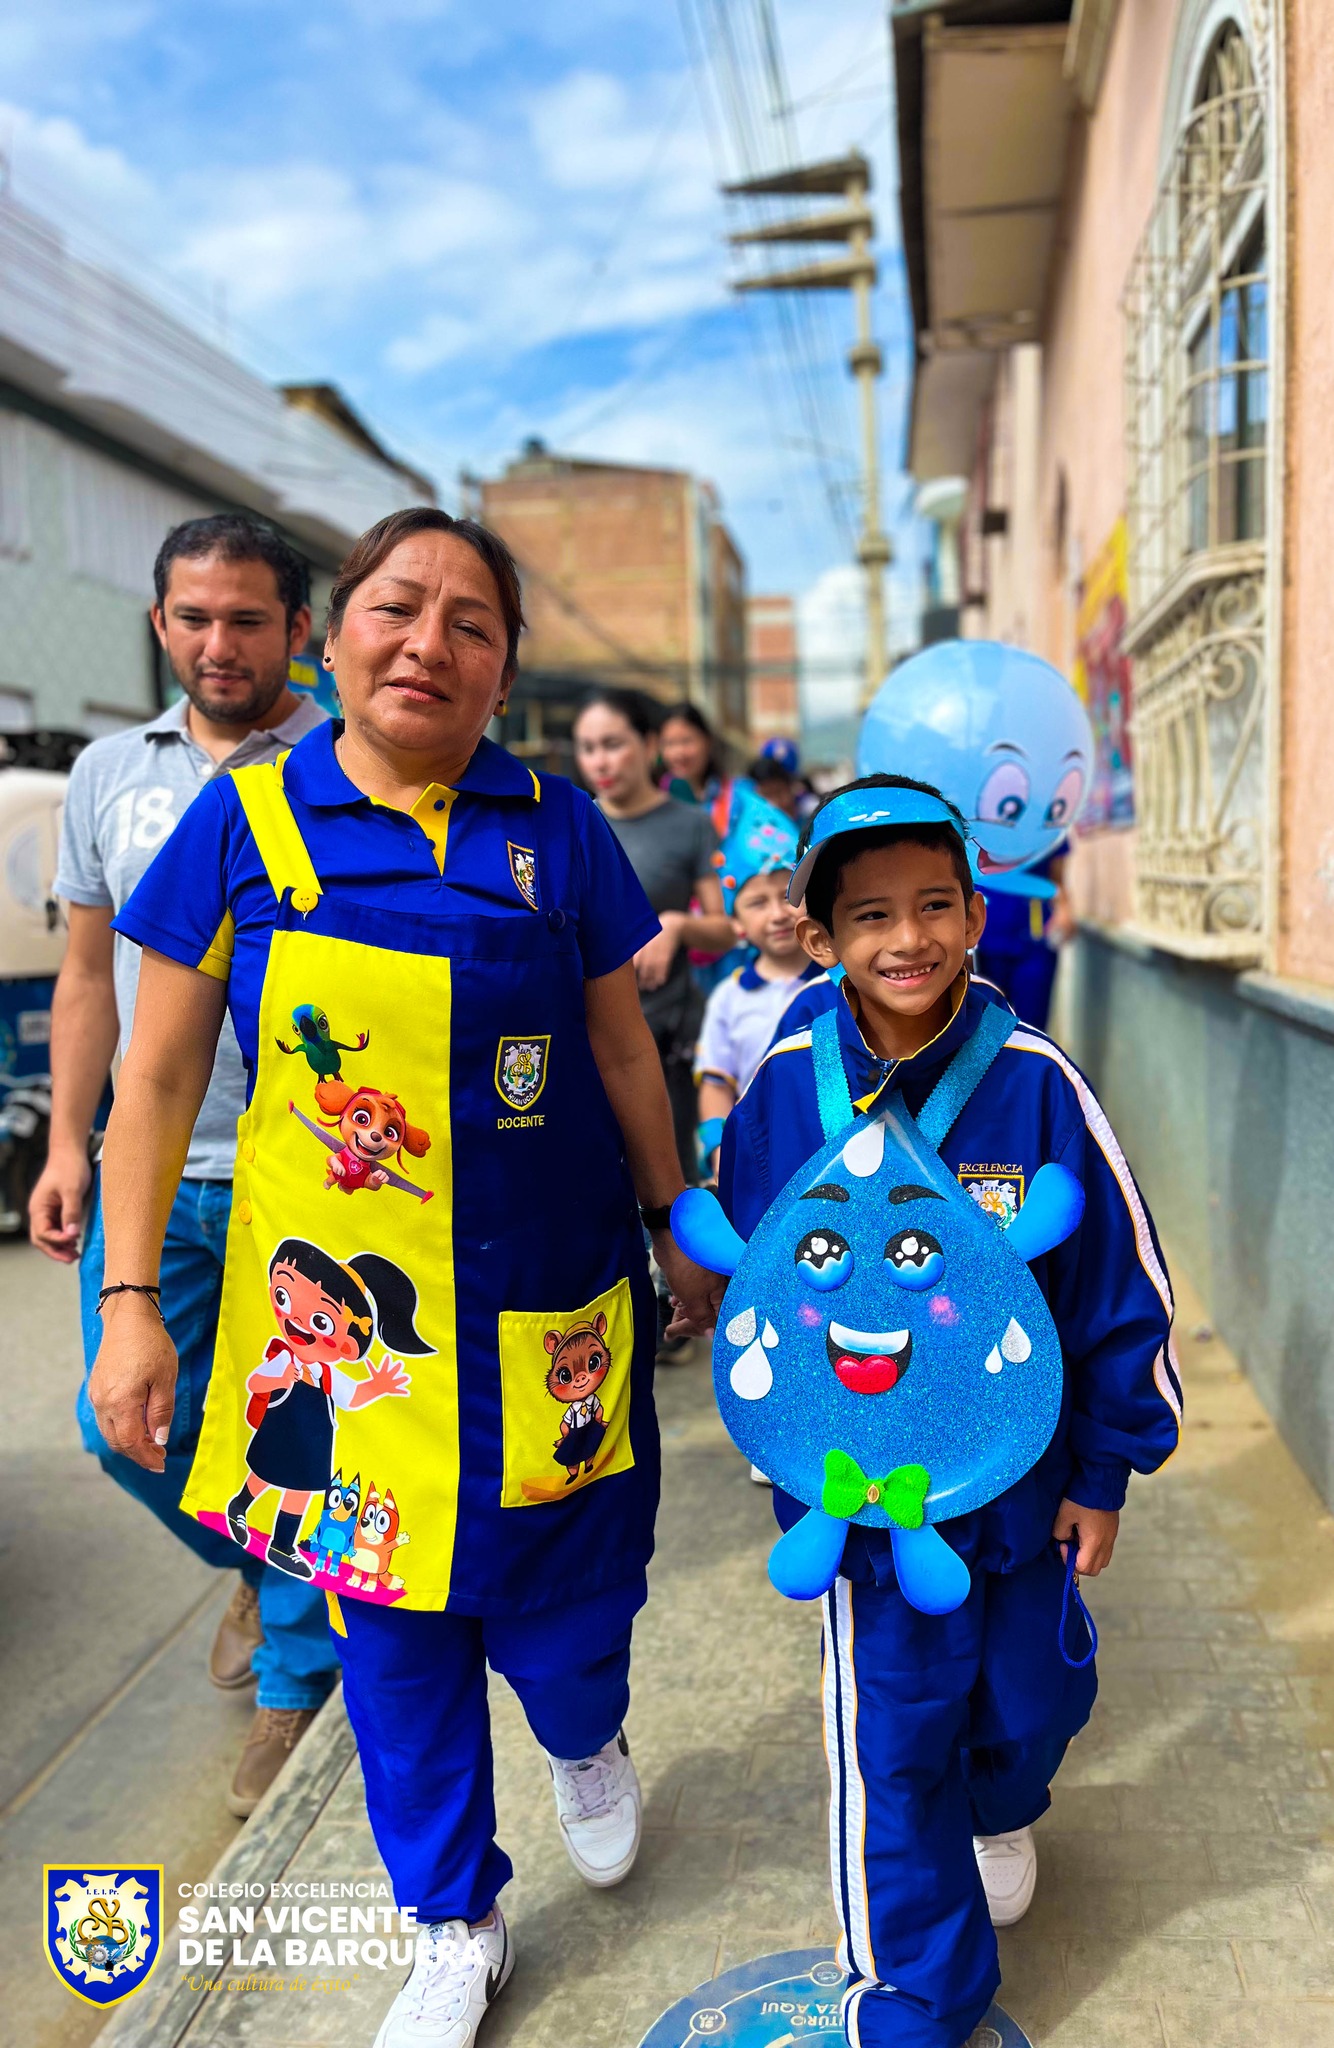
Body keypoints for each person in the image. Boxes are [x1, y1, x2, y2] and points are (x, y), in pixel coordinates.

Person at [87, 507, 725, 2048]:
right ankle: (452, 1921)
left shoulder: (559, 829)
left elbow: (618, 1048)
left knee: (570, 1620)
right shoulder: (242, 824)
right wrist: (127, 1303)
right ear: (334, 637)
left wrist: (673, 1219)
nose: (427, 642)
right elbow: (154, 1081)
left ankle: (586, 1743)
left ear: (503, 668)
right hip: (351, 1338)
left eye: (470, 622)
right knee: (394, 1645)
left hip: (552, 1313)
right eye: (396, 606)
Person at [715, 773, 1180, 2048]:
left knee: (1028, 1705)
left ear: (976, 912)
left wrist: (1103, 1470)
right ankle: (916, 1992)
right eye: (868, 914)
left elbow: (1117, 1286)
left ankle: (1000, 1796)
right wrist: (781, 1451)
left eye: (933, 903)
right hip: (870, 1511)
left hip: (1021, 1489)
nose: (905, 937)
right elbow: (756, 1277)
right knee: (893, 1744)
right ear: (818, 934)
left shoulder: (1035, 1085)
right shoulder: (784, 1090)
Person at [30, 510, 337, 1818]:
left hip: (302, 1176)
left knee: (293, 1436)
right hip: (151, 1162)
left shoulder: (343, 762)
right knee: (124, 1425)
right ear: (159, 622)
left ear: (297, 630)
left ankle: (294, 1680)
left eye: (248, 619)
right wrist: (65, 1140)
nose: (220, 643)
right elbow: (84, 977)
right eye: (194, 618)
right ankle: (269, 1575)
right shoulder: (108, 773)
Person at [572, 690, 733, 1184]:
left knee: (668, 1176)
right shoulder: (572, 824)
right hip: (584, 1037)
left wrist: (677, 925)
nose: (600, 761)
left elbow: (725, 929)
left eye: (613, 744)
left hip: (667, 1040)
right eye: (588, 748)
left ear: (648, 745)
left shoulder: (689, 825)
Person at [693, 789, 812, 1177]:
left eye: (787, 896)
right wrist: (718, 1151)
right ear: (737, 922)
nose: (777, 914)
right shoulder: (729, 997)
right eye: (758, 903)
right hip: (760, 1161)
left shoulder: (843, 982)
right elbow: (716, 1084)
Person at [658, 700, 730, 831]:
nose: (679, 753)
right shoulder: (656, 800)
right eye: (669, 743)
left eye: (687, 741)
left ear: (707, 741)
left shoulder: (735, 798)